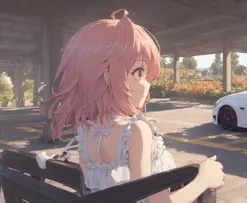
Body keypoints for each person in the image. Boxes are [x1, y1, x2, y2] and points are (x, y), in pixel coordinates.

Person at [40, 9, 225, 203]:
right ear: (106, 76)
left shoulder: (85, 131)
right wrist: (203, 179)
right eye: (138, 73)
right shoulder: (135, 131)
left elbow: (90, 190)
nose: (147, 84)